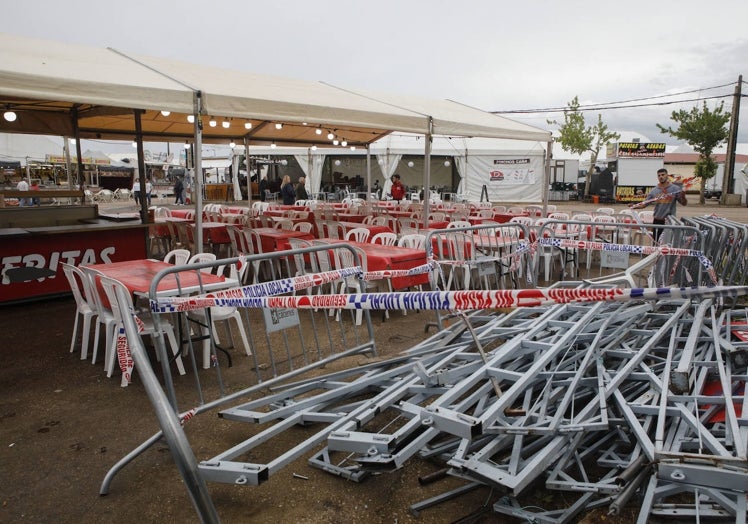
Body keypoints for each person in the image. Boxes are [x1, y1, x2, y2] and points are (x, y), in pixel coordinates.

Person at [630, 168, 687, 241]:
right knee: (656, 242)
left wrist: (683, 195)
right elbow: (644, 204)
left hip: (669, 221)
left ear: (667, 175)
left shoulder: (675, 189)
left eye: (663, 175)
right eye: (659, 175)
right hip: (657, 221)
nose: (661, 177)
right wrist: (634, 206)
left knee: (667, 243)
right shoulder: (654, 190)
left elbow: (684, 203)